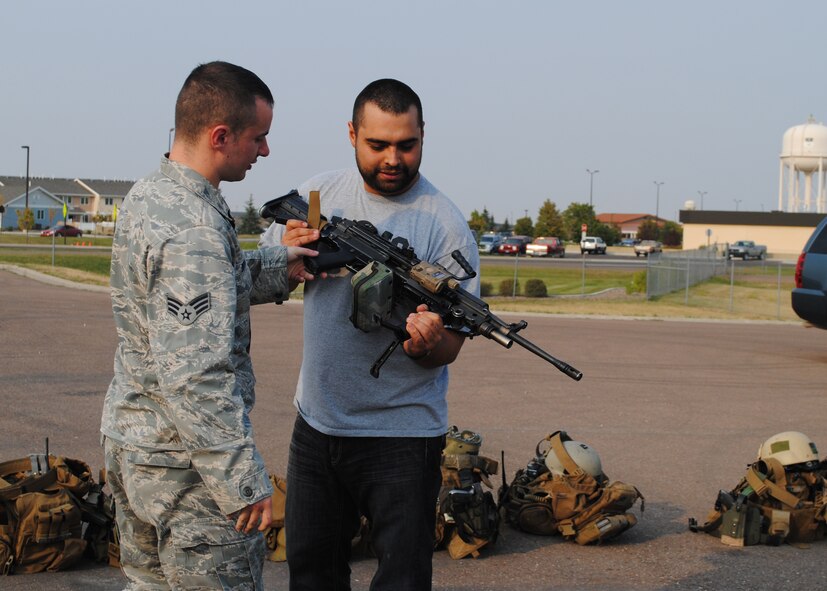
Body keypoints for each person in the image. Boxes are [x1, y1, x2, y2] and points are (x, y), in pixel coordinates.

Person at [101, 61, 316, 589]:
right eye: (257, 137)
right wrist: (240, 480)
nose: (265, 151)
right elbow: (196, 375)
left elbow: (208, 285)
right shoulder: (195, 229)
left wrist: (281, 264)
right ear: (220, 136)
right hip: (189, 472)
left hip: (137, 448)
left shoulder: (151, 195)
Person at [260, 78, 480, 590]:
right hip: (318, 426)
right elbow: (265, 276)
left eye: (407, 144)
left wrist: (428, 344)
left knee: (402, 579)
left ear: (423, 135)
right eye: (378, 144)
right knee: (311, 575)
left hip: (403, 435)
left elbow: (451, 346)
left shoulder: (445, 225)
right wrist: (288, 255)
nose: (393, 159)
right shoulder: (317, 198)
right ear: (352, 134)